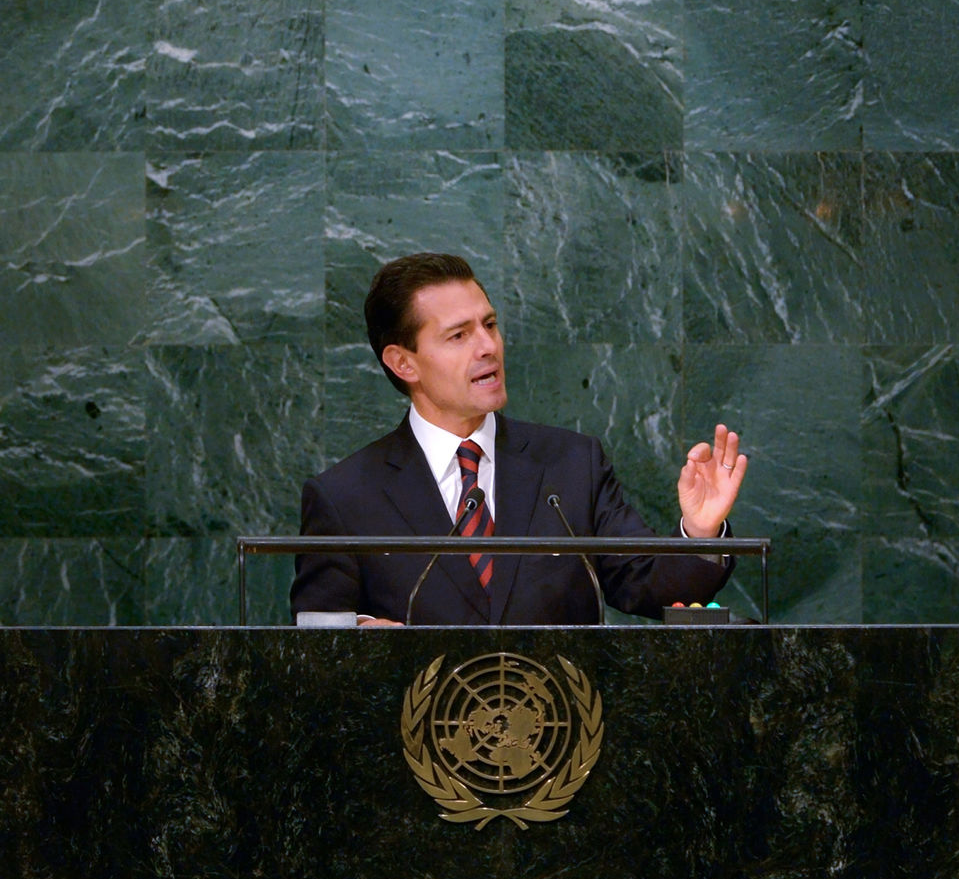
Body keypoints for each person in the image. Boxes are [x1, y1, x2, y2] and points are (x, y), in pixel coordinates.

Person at [290, 253, 748, 626]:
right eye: (459, 335)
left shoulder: (572, 464)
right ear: (403, 363)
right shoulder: (345, 498)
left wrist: (701, 533)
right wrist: (359, 636)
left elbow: (652, 588)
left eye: (489, 325)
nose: (488, 346)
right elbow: (315, 644)